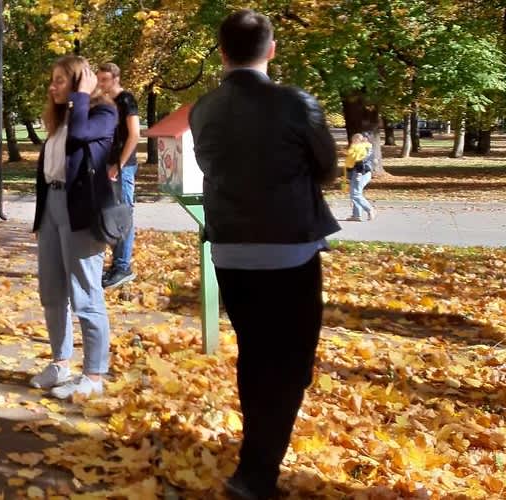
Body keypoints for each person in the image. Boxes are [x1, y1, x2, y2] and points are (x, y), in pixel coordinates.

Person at [188, 10, 340, 500]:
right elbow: (328, 167)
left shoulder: (203, 109)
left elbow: (214, 165)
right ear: (271, 50)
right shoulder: (296, 103)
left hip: (231, 252)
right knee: (290, 364)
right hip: (289, 250)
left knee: (256, 354)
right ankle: (256, 473)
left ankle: (256, 456)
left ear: (222, 51)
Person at [30, 55, 118, 400]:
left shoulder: (102, 113)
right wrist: (42, 219)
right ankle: (60, 363)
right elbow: (48, 169)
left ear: (81, 81)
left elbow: (82, 135)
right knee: (51, 292)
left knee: (85, 292)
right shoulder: (63, 117)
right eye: (52, 80)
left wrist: (82, 93)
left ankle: (94, 374)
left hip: (80, 211)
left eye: (61, 80)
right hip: (53, 208)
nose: (53, 87)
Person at [96, 63, 142, 289]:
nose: (101, 84)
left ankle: (122, 267)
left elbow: (135, 135)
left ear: (116, 78)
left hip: (123, 168)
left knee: (122, 215)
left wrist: (119, 165)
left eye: (105, 79)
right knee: (111, 216)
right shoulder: (105, 103)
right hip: (106, 166)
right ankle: (116, 266)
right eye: (99, 80)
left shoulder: (126, 100)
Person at [345, 133, 377, 222]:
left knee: (355, 194)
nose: (353, 141)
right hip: (359, 173)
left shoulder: (362, 148)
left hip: (362, 173)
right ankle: (356, 215)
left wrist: (359, 173)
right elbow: (352, 162)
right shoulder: (360, 147)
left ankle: (369, 209)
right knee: (355, 193)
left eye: (355, 139)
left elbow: (361, 161)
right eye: (353, 139)